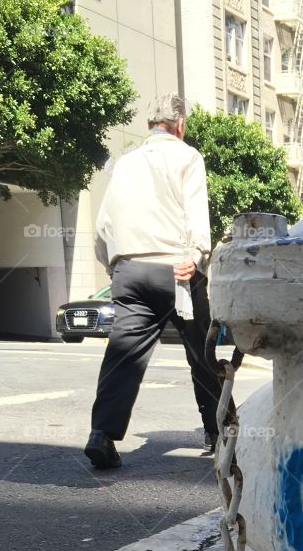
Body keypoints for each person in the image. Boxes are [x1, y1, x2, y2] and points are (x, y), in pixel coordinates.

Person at [86, 93, 220, 469]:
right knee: (201, 354)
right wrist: (195, 256)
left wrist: (113, 265)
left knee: (123, 355)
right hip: (176, 271)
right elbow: (196, 212)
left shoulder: (125, 163)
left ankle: (102, 435)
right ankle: (218, 432)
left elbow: (103, 225)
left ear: (149, 125)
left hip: (129, 271)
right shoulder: (187, 156)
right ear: (180, 125)